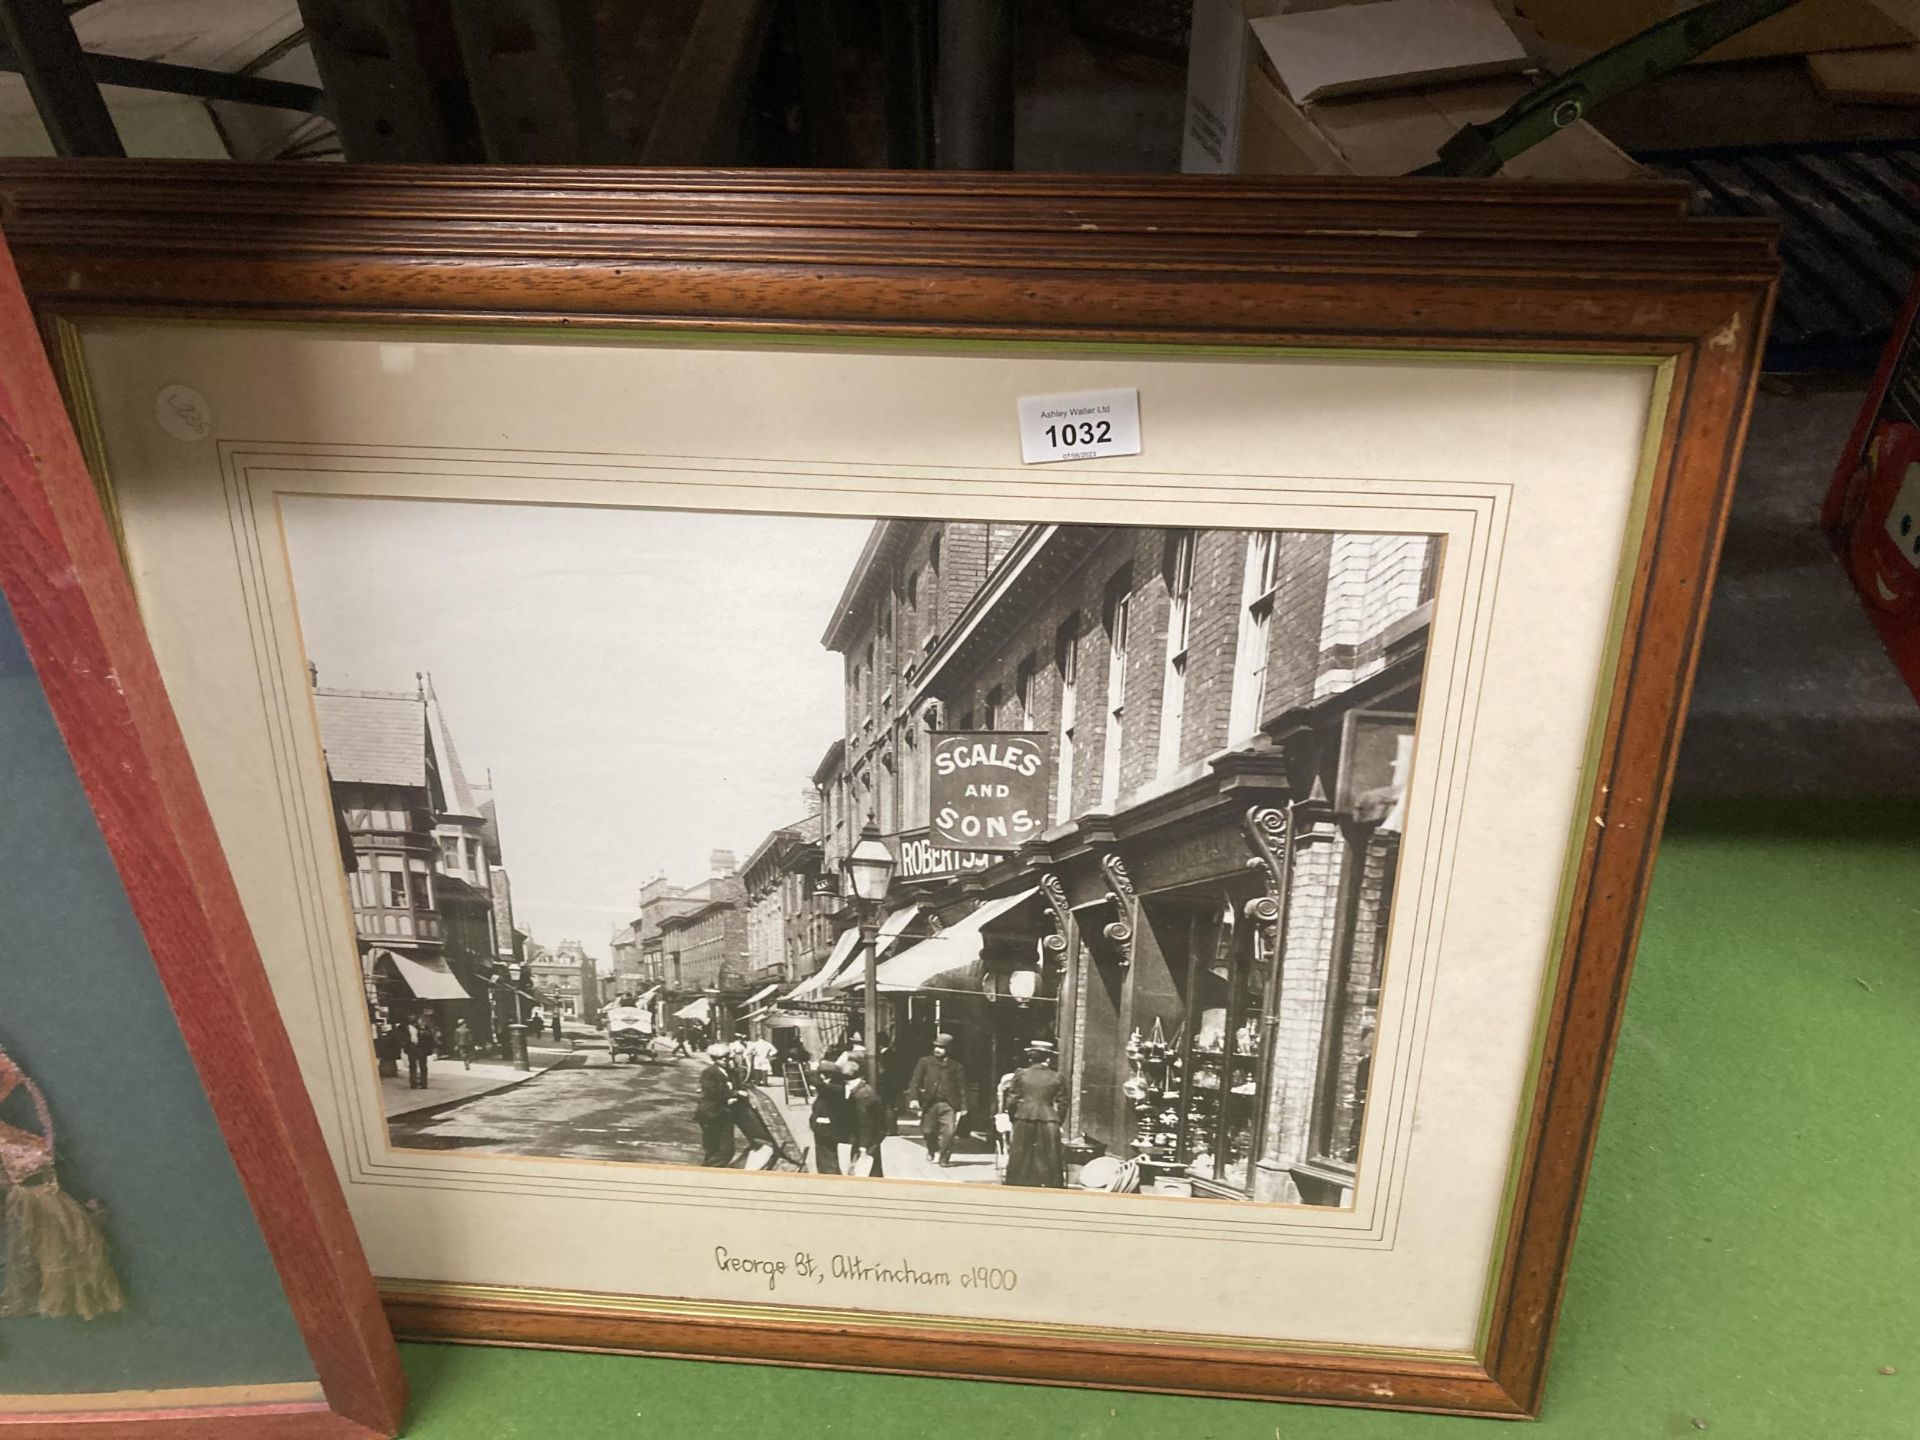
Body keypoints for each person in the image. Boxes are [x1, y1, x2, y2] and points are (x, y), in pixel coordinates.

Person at [1003, 1040, 1065, 1188]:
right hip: (1049, 1119)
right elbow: (1063, 1103)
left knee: (1020, 1154)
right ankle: (1053, 1186)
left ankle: (1015, 1184)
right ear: (1048, 1059)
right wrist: (1057, 1120)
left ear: (1031, 1057)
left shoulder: (1021, 1074)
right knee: (1051, 1156)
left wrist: (1014, 1117)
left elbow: (1012, 1099)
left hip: (1023, 1117)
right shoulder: (1057, 1077)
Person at [908, 1033, 966, 1167]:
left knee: (949, 1132)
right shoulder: (925, 1062)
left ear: (949, 1049)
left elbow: (962, 1088)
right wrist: (913, 1098)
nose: (937, 1049)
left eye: (942, 1047)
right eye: (936, 1046)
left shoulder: (956, 1066)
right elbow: (915, 1082)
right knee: (928, 1131)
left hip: (949, 1104)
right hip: (930, 1103)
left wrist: (964, 1107)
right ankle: (932, 1149)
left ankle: (944, 1158)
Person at [840, 1053, 886, 1178]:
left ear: (855, 1066)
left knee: (866, 1173)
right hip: (861, 1139)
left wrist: (863, 1146)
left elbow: (866, 1122)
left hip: (867, 1141)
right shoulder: (856, 1088)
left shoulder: (864, 1094)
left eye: (849, 1063)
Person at [694, 1042, 739, 1167]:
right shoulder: (709, 1073)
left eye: (727, 1057)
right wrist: (731, 1095)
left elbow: (740, 1087)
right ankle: (708, 1173)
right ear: (715, 1059)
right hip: (711, 1114)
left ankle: (708, 1172)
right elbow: (712, 1092)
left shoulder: (732, 1073)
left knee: (726, 1150)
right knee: (713, 1149)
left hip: (726, 1115)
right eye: (721, 1058)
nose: (725, 1060)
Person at [808, 1061, 848, 1174]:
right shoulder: (835, 1087)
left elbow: (818, 1084)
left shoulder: (835, 1088)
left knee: (827, 1158)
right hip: (824, 1128)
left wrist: (813, 1070)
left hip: (827, 1129)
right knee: (824, 1156)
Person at [402, 1017, 436, 1091]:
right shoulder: (406, 1029)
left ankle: (423, 1083)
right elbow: (403, 1038)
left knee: (422, 1066)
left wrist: (423, 1031)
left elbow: (430, 1037)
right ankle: (413, 1083)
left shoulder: (423, 1029)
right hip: (411, 1048)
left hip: (421, 1049)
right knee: (413, 1066)